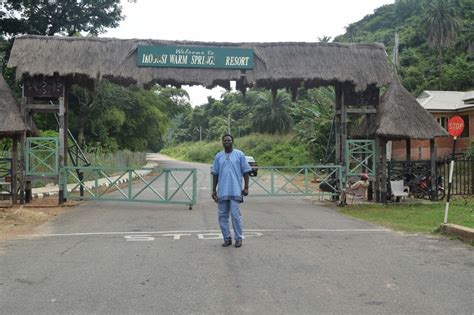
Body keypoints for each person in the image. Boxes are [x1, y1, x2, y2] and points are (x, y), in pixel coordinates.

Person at [211, 134, 252, 248]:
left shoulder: (239, 155)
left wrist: (246, 187)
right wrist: (213, 190)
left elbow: (246, 171)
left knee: (235, 215)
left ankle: (238, 239)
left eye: (229, 140)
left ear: (232, 142)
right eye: (225, 141)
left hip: (235, 190)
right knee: (222, 216)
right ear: (222, 142)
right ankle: (227, 238)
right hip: (222, 192)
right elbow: (215, 174)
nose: (227, 142)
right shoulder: (218, 156)